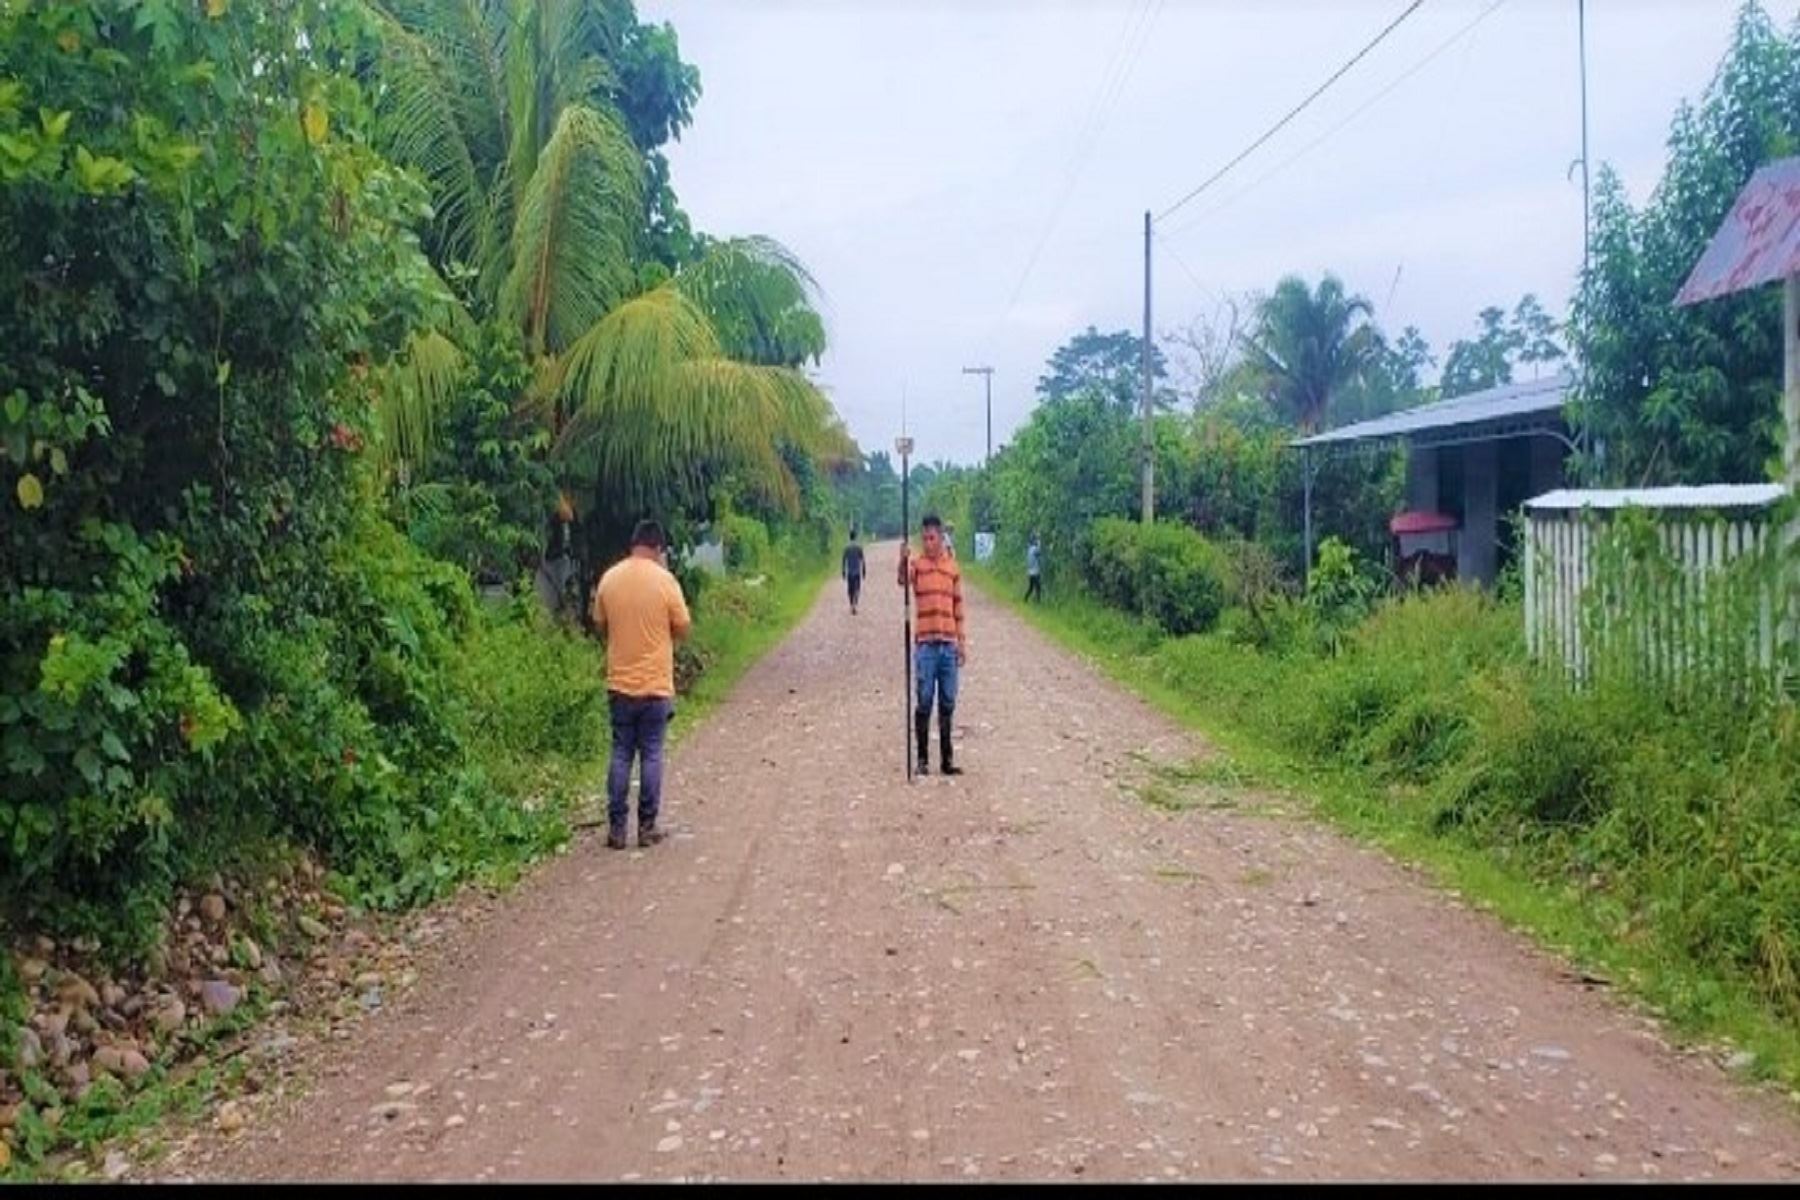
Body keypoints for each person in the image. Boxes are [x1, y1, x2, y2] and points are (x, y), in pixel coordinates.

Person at [591, 520, 692, 850]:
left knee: (620, 753)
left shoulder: (610, 578)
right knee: (651, 754)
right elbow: (683, 627)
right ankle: (647, 827)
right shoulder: (665, 581)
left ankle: (617, 829)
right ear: (658, 548)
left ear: (633, 544)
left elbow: (599, 622)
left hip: (620, 684)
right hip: (655, 686)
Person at [897, 513, 967, 776]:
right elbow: (903, 581)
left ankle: (947, 760)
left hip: (948, 645)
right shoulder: (918, 565)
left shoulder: (952, 568)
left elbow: (958, 607)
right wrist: (902, 558)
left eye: (932, 538)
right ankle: (923, 759)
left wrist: (962, 642)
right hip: (925, 645)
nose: (928, 543)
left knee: (948, 701)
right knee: (924, 700)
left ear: (940, 538)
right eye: (924, 538)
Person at [842, 528, 867, 615]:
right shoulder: (858, 547)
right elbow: (862, 560)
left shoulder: (847, 548)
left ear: (849, 537)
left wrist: (843, 571)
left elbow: (843, 560)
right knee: (857, 589)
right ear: (855, 536)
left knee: (850, 590)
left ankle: (851, 604)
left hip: (850, 572)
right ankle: (854, 604)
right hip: (857, 572)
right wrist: (864, 570)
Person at [1025, 534, 1043, 603]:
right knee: (1038, 588)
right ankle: (1038, 602)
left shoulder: (1029, 549)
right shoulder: (1035, 549)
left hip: (1030, 572)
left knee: (1031, 588)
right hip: (1035, 572)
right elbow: (1039, 552)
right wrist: (1039, 543)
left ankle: (1025, 599)